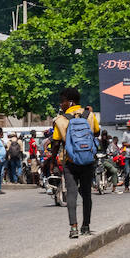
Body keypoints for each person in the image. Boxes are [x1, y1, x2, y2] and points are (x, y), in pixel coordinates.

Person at [49, 87, 100, 238]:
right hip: (88, 160)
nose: (61, 105)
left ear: (69, 102)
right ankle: (86, 226)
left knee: (71, 193)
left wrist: (52, 162)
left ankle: (73, 228)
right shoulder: (89, 115)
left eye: (62, 102)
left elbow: (56, 143)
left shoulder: (60, 120)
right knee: (86, 194)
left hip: (70, 161)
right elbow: (96, 133)